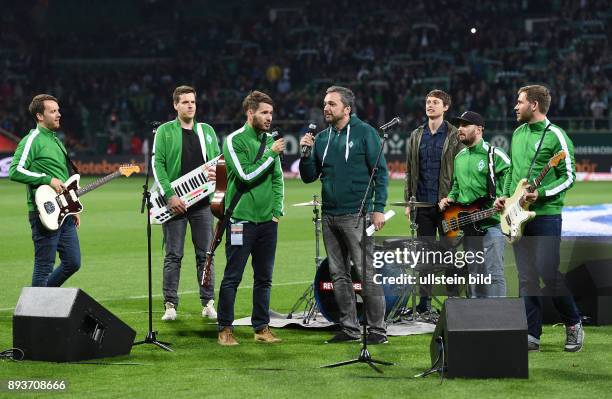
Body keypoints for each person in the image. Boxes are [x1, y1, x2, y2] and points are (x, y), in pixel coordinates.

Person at [494, 85, 583, 352]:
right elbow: (512, 171)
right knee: (525, 277)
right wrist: (504, 197)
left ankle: (573, 323)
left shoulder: (557, 135)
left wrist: (541, 193)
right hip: (516, 216)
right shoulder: (519, 133)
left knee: (547, 273)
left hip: (546, 216)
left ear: (533, 105)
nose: (515, 106)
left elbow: (569, 176)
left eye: (519, 102)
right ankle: (532, 334)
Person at [300, 86, 389, 344]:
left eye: (331, 104)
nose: (325, 108)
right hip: (329, 215)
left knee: (366, 273)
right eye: (325, 104)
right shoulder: (323, 138)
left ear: (347, 109)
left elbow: (380, 173)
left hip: (357, 215)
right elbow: (308, 177)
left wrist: (378, 208)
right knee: (339, 275)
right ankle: (349, 328)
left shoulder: (366, 133)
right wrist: (306, 154)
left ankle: (377, 331)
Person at [217, 91, 285, 346]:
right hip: (241, 220)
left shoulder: (270, 140)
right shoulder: (234, 140)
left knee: (264, 278)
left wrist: (277, 212)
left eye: (271, 113)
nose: (269, 118)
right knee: (233, 276)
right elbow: (245, 176)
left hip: (267, 222)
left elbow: (277, 179)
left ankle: (261, 327)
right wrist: (270, 154)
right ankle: (225, 328)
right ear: (250, 113)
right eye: (264, 113)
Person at [152, 85, 220, 321]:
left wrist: (218, 176)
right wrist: (170, 195)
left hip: (202, 204)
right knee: (174, 255)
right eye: (185, 102)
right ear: (175, 105)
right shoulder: (164, 131)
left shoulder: (207, 131)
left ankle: (208, 302)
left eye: (193, 101)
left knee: (206, 255)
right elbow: (158, 164)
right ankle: (170, 304)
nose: (190, 105)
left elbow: (218, 163)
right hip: (175, 203)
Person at [9, 94, 81, 287]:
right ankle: (36, 314)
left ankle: (43, 299)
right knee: (44, 266)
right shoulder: (32, 140)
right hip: (44, 212)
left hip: (63, 212)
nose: (59, 114)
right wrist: (47, 180)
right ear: (40, 116)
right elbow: (14, 170)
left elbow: (63, 179)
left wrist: (71, 207)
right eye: (53, 111)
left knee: (73, 262)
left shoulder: (57, 141)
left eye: (58, 110)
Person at [404, 89, 463, 313]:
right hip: (422, 204)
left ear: (445, 107)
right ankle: (424, 303)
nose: (430, 105)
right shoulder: (416, 135)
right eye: (428, 102)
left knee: (449, 253)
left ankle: (453, 301)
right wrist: (409, 201)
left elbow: (461, 170)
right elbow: (410, 171)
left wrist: (453, 198)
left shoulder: (455, 135)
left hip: (448, 205)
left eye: (435, 102)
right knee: (425, 255)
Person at [438, 111, 510, 297]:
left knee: (494, 274)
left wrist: (504, 196)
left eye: (465, 125)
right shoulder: (459, 157)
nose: (459, 129)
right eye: (459, 125)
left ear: (479, 129)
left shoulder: (494, 154)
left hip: (492, 223)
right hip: (469, 226)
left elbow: (512, 174)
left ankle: (497, 318)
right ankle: (477, 319)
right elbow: (456, 186)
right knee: (475, 275)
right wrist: (449, 198)